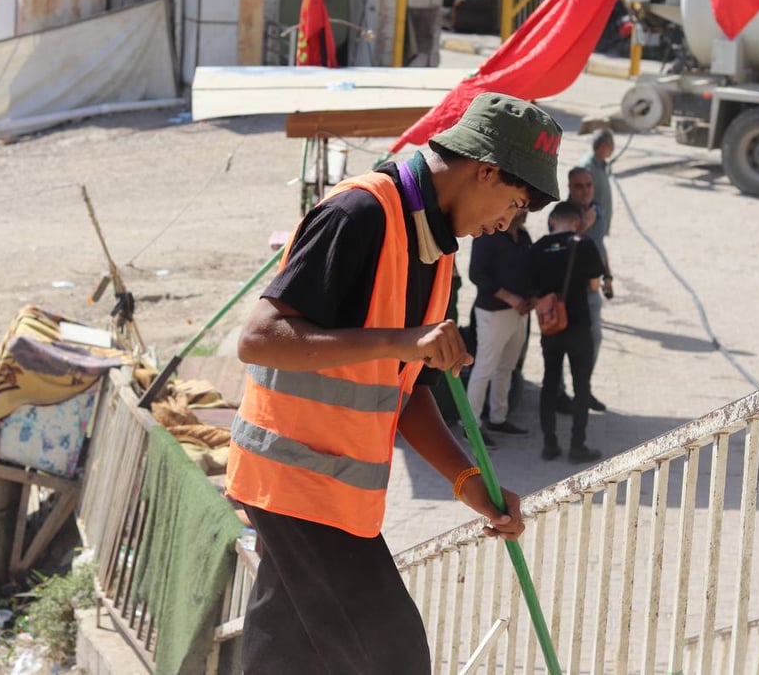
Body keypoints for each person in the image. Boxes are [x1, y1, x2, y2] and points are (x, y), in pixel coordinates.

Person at [225, 93, 562, 674]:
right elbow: (258, 339)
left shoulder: (435, 251)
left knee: (284, 654)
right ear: (483, 169)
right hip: (295, 484)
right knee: (392, 656)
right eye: (512, 204)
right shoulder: (359, 214)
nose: (505, 224)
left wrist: (470, 482)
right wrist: (400, 340)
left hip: (336, 495)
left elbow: (411, 395)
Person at [531, 200, 605, 464]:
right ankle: (577, 445)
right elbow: (595, 281)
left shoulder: (538, 246)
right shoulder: (582, 244)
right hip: (579, 325)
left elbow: (531, 288)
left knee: (550, 382)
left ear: (552, 220)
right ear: (576, 222)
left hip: (550, 326)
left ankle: (549, 445)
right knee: (581, 385)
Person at [466, 209, 533, 439]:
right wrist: (511, 298)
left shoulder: (523, 237)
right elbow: (477, 275)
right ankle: (470, 426)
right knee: (484, 368)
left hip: (519, 314)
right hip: (493, 313)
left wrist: (531, 298)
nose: (524, 211)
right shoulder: (488, 235)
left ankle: (498, 418)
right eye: (520, 206)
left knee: (507, 368)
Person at [554, 166, 613, 413]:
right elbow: (560, 249)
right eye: (579, 186)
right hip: (566, 293)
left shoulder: (597, 210)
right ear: (569, 188)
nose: (585, 190)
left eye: (588, 185)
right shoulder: (560, 214)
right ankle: (558, 393)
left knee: (594, 340)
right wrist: (583, 227)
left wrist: (608, 276)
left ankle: (583, 389)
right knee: (560, 346)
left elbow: (600, 246)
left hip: (592, 291)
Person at [577, 128, 614, 236]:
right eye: (610, 144)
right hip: (589, 228)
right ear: (603, 145)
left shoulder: (601, 164)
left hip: (598, 226)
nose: (613, 148)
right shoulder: (588, 167)